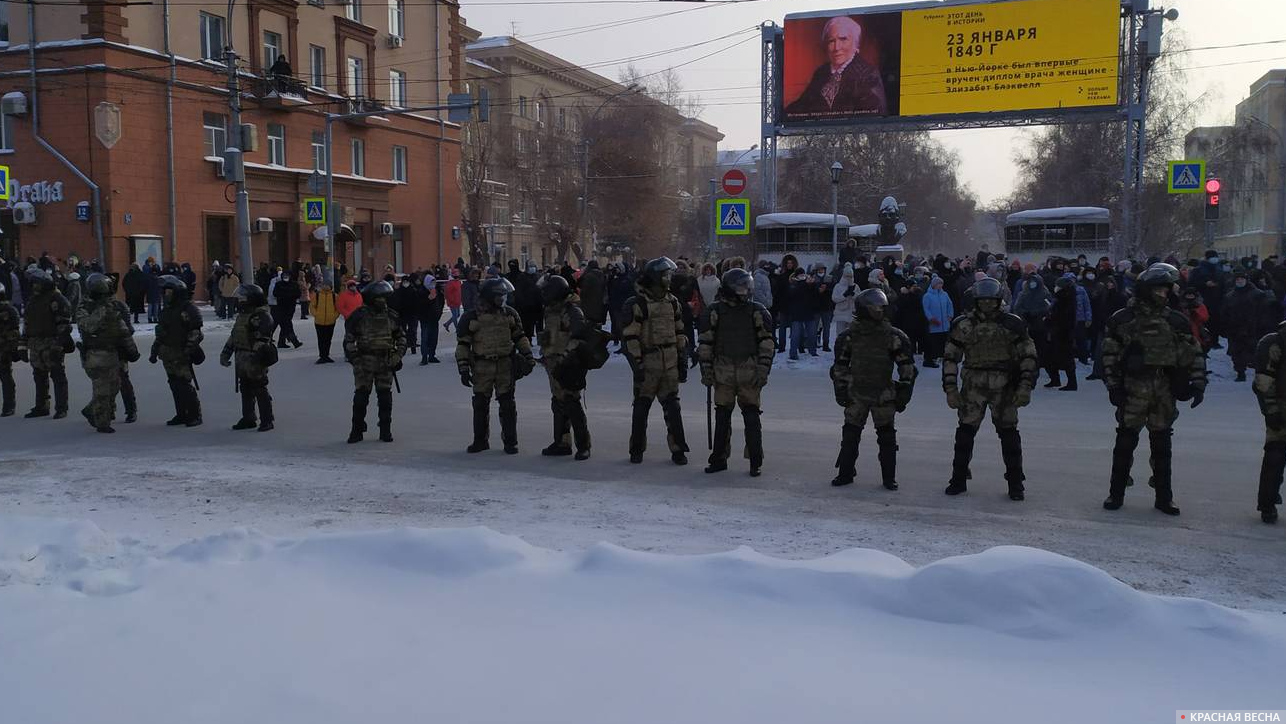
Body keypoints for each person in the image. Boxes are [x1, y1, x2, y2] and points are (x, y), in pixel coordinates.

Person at [1101, 263, 1206, 516]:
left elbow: (1194, 353)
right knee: (1125, 442)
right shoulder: (1123, 319)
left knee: (1162, 445)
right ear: (1146, 290)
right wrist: (1113, 386)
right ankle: (1116, 494)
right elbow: (1108, 356)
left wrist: (1198, 383)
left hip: (1164, 387)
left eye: (1166, 290)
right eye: (1158, 290)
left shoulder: (1175, 320)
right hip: (1133, 388)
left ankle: (1163, 497)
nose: (1163, 294)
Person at [942, 278, 1038, 501]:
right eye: (982, 300)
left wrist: (1025, 387)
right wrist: (950, 389)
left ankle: (1015, 483)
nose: (986, 304)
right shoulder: (963, 325)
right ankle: (958, 478)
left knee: (1009, 435)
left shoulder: (1011, 324)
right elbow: (950, 357)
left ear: (998, 300)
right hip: (973, 385)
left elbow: (1028, 356)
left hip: (1004, 385)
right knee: (965, 434)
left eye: (990, 300)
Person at [830, 288, 917, 489]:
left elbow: (907, 367)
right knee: (850, 435)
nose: (879, 310)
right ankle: (845, 473)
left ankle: (888, 477)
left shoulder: (893, 336)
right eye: (874, 307)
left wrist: (903, 393)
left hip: (883, 393)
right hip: (857, 392)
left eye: (881, 307)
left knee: (887, 437)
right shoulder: (850, 336)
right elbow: (839, 367)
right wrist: (842, 391)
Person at [698, 269, 774, 476]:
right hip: (723, 372)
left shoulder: (756, 310)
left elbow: (767, 342)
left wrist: (763, 369)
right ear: (730, 288)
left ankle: (755, 461)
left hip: (749, 371)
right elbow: (705, 343)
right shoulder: (715, 310)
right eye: (741, 286)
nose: (746, 290)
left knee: (751, 416)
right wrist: (706, 370)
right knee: (722, 417)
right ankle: (719, 458)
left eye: (747, 286)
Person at [623, 257, 690, 465]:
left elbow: (679, 331)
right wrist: (638, 364)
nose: (669, 279)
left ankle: (678, 449)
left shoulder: (672, 302)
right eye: (665, 275)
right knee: (641, 408)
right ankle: (636, 449)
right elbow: (631, 336)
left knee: (673, 408)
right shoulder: (639, 303)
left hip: (669, 362)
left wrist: (682, 357)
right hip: (648, 362)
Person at [457, 277, 534, 454]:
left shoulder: (509, 314)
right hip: (482, 366)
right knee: (480, 404)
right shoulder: (471, 316)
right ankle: (480, 440)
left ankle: (510, 441)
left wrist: (528, 355)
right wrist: (463, 367)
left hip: (505, 364)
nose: (502, 299)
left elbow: (520, 336)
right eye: (499, 296)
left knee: (507, 404)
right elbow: (463, 344)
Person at [784, 15, 888, 118]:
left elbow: (875, 115)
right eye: (831, 41)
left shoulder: (868, 74)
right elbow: (801, 106)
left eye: (843, 39)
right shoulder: (821, 73)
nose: (836, 47)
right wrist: (781, 116)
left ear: (855, 44)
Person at [536, 274, 592, 460]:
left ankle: (583, 445)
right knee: (558, 403)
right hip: (552, 362)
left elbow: (578, 337)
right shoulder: (550, 310)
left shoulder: (572, 310)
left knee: (572, 403)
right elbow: (549, 335)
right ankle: (561, 442)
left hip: (568, 363)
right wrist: (545, 354)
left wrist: (566, 359)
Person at [343, 281, 406, 443]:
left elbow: (402, 338)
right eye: (379, 298)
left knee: (385, 397)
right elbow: (349, 341)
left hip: (386, 361)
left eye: (384, 298)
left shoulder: (391, 316)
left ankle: (385, 430)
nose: (383, 302)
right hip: (365, 362)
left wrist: (397, 357)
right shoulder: (359, 316)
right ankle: (356, 430)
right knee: (361, 397)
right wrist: (356, 360)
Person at [76, 274, 138, 433]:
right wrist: (104, 310)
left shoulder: (115, 306)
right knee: (102, 389)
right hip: (95, 354)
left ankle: (96, 411)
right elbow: (88, 326)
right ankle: (102, 423)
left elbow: (125, 331)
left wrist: (132, 351)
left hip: (114, 353)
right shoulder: (86, 308)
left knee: (114, 386)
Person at [150, 274, 205, 427]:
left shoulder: (188, 309)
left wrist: (188, 350)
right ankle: (181, 414)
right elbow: (161, 333)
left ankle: (194, 414)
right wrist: (154, 351)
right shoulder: (167, 310)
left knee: (184, 384)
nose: (165, 295)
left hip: (181, 352)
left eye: (168, 292)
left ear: (177, 292)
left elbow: (196, 332)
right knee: (174, 384)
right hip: (167, 353)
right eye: (164, 292)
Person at [220, 284, 277, 432]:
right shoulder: (243, 316)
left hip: (254, 359)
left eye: (243, 298)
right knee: (245, 388)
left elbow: (263, 338)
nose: (240, 301)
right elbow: (234, 336)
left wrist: (255, 358)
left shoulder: (262, 316)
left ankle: (267, 419)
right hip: (242, 357)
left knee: (259, 388)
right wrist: (226, 353)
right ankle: (248, 417)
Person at [21, 268, 74, 419]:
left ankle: (61, 408)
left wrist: (59, 344)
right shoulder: (33, 301)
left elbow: (64, 324)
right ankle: (41, 406)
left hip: (51, 341)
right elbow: (27, 324)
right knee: (39, 375)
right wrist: (22, 345)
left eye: (36, 283)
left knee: (57, 375)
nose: (33, 286)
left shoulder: (56, 299)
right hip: (36, 342)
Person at [1253, 319, 1286, 524]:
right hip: (1282, 409)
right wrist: (1271, 410)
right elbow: (1264, 380)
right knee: (1275, 456)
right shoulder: (1276, 341)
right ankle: (1267, 503)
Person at [106, 274, 139, 423]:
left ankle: (131, 410)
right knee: (105, 382)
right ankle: (109, 410)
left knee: (123, 380)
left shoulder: (119, 306)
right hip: (104, 349)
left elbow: (129, 330)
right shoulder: (96, 306)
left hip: (119, 350)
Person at [0, 280, 25, 417]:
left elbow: (14, 332)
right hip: (5, 348)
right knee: (5, 377)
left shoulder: (9, 310)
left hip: (4, 349)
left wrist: (13, 348)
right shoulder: (11, 309)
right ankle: (8, 405)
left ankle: (9, 405)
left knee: (5, 376)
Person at [920, 275, 954, 368]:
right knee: (933, 341)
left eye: (941, 284)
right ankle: (931, 358)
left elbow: (950, 305)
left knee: (943, 340)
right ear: (934, 285)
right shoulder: (927, 296)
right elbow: (926, 309)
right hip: (934, 324)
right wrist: (931, 318)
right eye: (938, 284)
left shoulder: (945, 294)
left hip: (944, 323)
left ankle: (941, 355)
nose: (940, 285)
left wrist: (950, 315)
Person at [272, 270, 303, 349]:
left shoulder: (294, 284)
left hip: (290, 307)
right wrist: (284, 295)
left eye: (287, 276)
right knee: (287, 324)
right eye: (284, 276)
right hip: (281, 307)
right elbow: (275, 293)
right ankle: (294, 341)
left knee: (285, 324)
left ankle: (281, 342)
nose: (285, 278)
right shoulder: (279, 284)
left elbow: (298, 294)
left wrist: (290, 295)